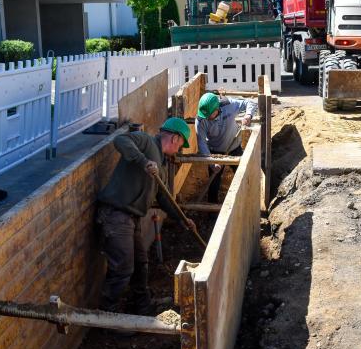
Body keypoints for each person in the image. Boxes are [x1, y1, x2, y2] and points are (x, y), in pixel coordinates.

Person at [96, 117, 195, 315]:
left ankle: (141, 305)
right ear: (175, 138)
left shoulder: (162, 166)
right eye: (181, 145)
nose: (179, 150)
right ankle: (108, 316)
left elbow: (165, 198)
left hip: (131, 219)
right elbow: (121, 141)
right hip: (115, 215)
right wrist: (143, 162)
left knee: (141, 265)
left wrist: (183, 219)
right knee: (123, 269)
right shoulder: (147, 141)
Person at [195, 92, 258, 203]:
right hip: (215, 153)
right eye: (205, 115)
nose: (208, 117)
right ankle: (212, 212)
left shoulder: (228, 105)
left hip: (234, 147)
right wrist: (211, 162)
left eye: (210, 114)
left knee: (243, 174)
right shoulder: (201, 120)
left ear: (217, 108)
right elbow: (201, 143)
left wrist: (248, 115)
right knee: (214, 183)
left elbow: (250, 102)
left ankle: (249, 200)